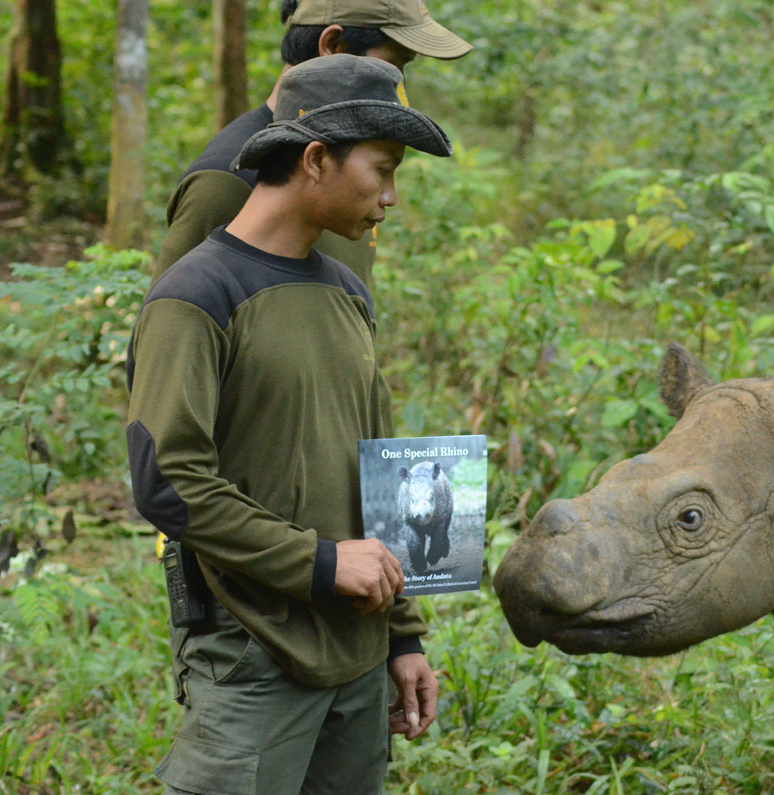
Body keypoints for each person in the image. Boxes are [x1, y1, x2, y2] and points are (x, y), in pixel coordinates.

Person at [126, 54, 453, 794]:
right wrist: (323, 563)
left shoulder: (345, 292)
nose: (392, 196)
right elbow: (169, 481)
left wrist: (402, 633)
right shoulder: (197, 294)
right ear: (315, 158)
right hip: (252, 652)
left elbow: (382, 465)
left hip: (361, 657)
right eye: (383, 168)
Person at [151, 0, 472, 285]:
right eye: (395, 64)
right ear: (332, 45)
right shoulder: (225, 183)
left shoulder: (355, 167)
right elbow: (165, 334)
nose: (396, 87)